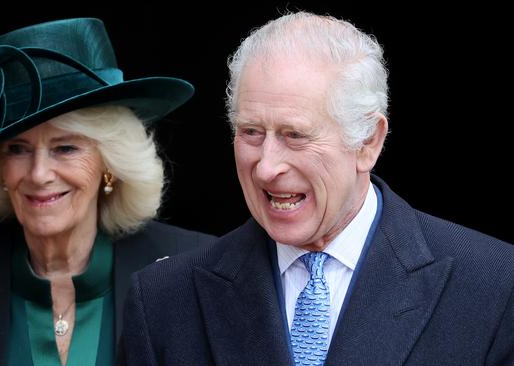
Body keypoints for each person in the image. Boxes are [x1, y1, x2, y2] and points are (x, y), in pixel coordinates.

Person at [117, 11, 514, 365]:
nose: (267, 167)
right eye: (251, 132)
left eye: (295, 135)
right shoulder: (164, 301)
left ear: (367, 143)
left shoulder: (494, 285)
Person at [0, 18, 215, 366]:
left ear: (109, 163)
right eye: (17, 149)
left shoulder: (191, 268)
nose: (39, 174)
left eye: (65, 148)